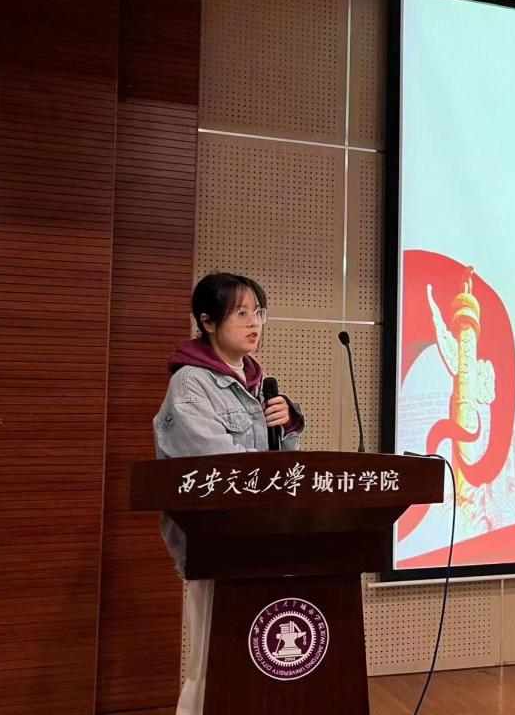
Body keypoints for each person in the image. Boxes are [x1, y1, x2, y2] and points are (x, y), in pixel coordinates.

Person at [153, 272, 304, 715]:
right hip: (216, 540)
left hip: (264, 535)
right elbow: (216, 466)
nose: (254, 322)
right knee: (212, 661)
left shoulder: (259, 383)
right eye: (241, 313)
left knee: (255, 658)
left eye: (258, 312)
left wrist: (288, 426)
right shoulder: (191, 384)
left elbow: (284, 469)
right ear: (208, 321)